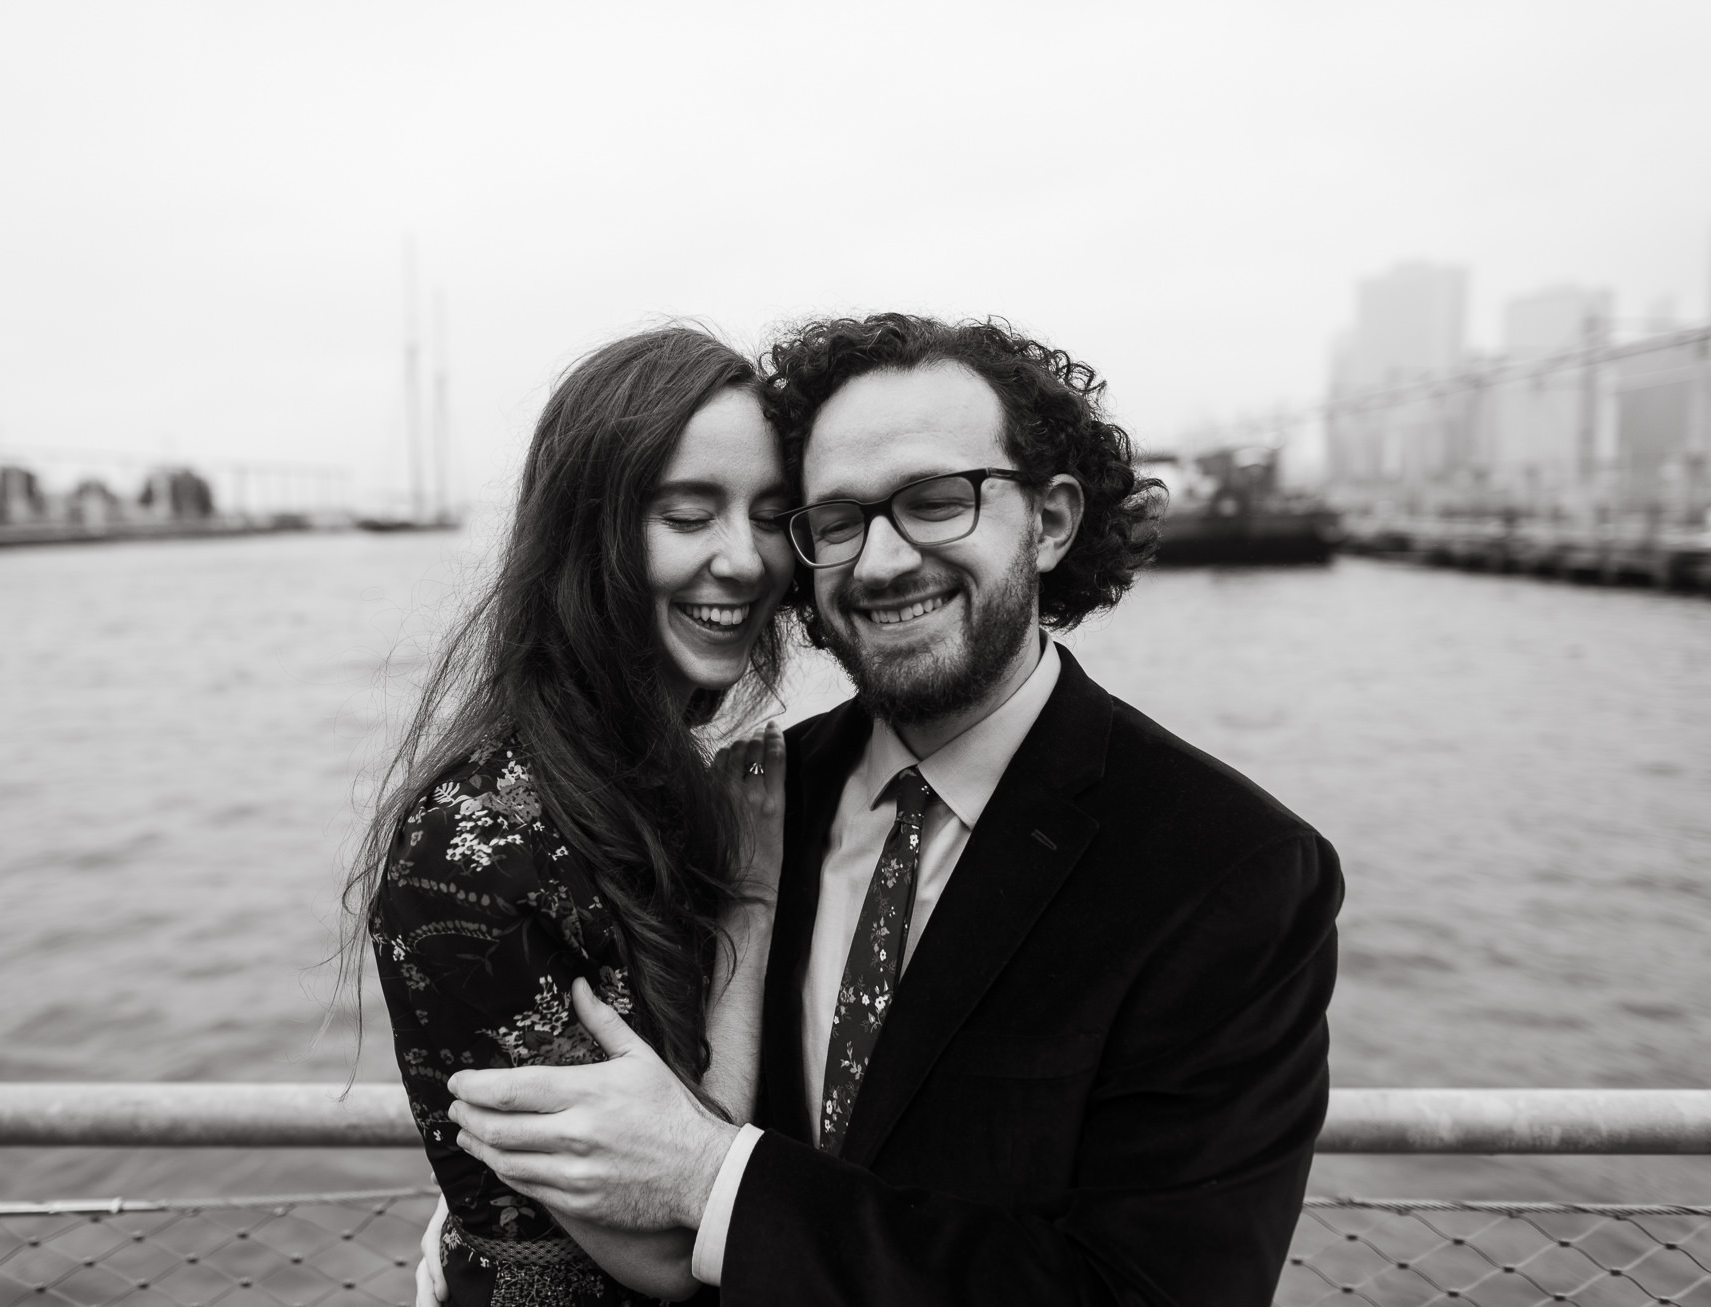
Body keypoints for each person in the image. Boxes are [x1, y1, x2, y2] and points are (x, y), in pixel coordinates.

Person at [440, 313, 1344, 1306]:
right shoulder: (744, 795)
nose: (877, 562)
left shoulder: (1225, 872)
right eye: (836, 519)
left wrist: (716, 1177)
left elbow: (1152, 1291)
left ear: (1049, 521)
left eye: (932, 500)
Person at [350, 325, 796, 1305]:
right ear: (586, 529)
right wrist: (754, 905)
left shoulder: (652, 769)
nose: (747, 558)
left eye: (771, 514)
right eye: (689, 513)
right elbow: (669, 1244)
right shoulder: (475, 860)